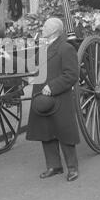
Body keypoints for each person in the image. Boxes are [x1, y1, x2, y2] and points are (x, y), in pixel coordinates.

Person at [26, 17, 80, 181]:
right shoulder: (43, 48)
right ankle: (54, 166)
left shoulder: (66, 48)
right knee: (46, 131)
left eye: (46, 26)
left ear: (55, 30)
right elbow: (33, 66)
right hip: (41, 98)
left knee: (64, 133)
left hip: (59, 98)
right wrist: (30, 75)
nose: (42, 28)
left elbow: (71, 75)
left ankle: (72, 168)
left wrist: (52, 87)